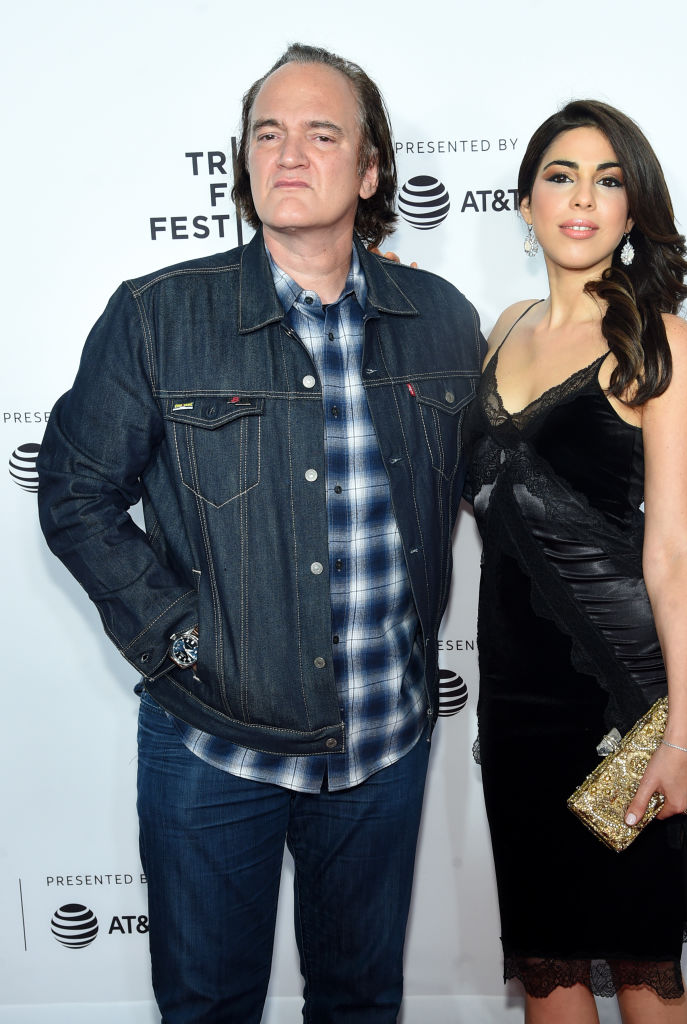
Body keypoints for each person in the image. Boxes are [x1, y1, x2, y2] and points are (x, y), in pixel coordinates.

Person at [37, 42, 483, 1024]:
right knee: (207, 1005)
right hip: (213, 749)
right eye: (267, 133)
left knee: (360, 1002)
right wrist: (178, 636)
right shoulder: (158, 314)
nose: (289, 151)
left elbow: (501, 490)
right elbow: (72, 490)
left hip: (381, 750)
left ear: (368, 172)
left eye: (322, 132)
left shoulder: (441, 320)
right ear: (242, 161)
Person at [465, 100, 687, 1024]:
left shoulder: (661, 342)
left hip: (625, 698)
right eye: (560, 176)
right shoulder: (499, 328)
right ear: (525, 201)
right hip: (515, 697)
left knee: (644, 970)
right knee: (547, 967)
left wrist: (682, 730)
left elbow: (675, 548)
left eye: (608, 180)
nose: (582, 199)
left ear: (631, 207)